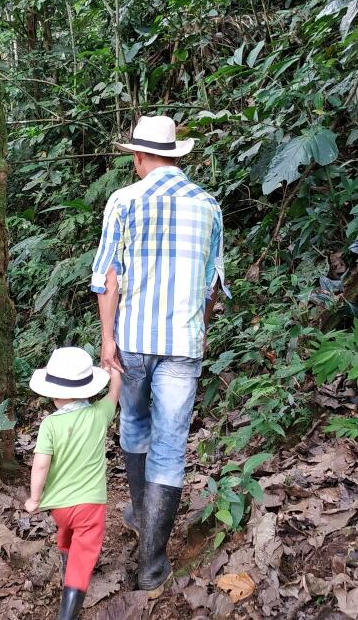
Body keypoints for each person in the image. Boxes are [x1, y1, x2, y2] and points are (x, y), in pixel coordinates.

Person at [90, 115, 229, 597]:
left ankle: (138, 511)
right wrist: (200, 329)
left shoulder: (124, 201)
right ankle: (151, 563)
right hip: (181, 345)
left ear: (139, 157)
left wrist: (107, 338)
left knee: (134, 424)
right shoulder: (208, 206)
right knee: (170, 446)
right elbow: (213, 286)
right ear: (176, 155)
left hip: (132, 337)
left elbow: (108, 274)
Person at [24, 346, 123, 620]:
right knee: (84, 556)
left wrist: (34, 498)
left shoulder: (49, 426)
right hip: (91, 506)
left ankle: (66, 560)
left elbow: (41, 464)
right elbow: (114, 395)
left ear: (53, 391)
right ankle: (67, 613)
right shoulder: (98, 414)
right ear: (89, 388)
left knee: (67, 532)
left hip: (60, 508)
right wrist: (114, 373)